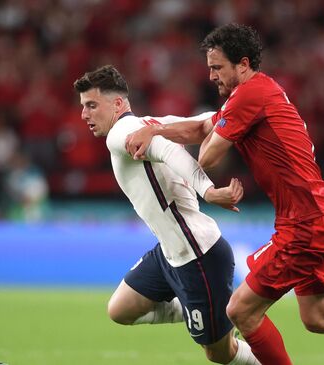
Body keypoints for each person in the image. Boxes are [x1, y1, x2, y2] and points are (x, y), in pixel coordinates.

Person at [126, 23, 324, 365]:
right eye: (209, 68)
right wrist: (157, 131)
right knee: (320, 317)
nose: (211, 76)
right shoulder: (255, 93)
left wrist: (176, 150)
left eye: (217, 67)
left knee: (241, 311)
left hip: (306, 224)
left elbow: (207, 157)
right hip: (317, 213)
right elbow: (202, 127)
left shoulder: (249, 96)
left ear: (243, 64)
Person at [73, 65, 260, 365]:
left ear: (118, 104)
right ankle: (198, 309)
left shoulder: (120, 133)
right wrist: (235, 112)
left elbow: (166, 151)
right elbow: (202, 123)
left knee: (220, 354)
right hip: (171, 253)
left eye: (92, 105)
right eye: (83, 107)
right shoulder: (155, 122)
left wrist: (207, 190)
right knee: (120, 309)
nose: (84, 115)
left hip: (198, 256)